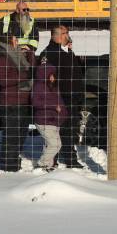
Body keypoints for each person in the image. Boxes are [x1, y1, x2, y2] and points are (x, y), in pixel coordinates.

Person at [38, 26, 86, 168]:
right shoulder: (49, 53)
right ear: (57, 36)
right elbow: (46, 78)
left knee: (70, 129)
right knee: (57, 130)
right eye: (65, 34)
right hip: (60, 98)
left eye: (67, 33)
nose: (68, 36)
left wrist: (71, 52)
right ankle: (52, 160)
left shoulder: (66, 51)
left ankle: (70, 158)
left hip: (72, 97)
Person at [0, 21, 35, 172]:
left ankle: (8, 159)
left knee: (21, 133)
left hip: (22, 101)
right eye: (15, 39)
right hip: (10, 103)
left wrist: (29, 53)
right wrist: (24, 76)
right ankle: (9, 166)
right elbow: (3, 80)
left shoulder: (17, 55)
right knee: (12, 136)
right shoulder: (3, 57)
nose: (18, 41)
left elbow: (31, 69)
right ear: (9, 41)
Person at [31, 59, 67, 171]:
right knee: (55, 145)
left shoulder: (54, 88)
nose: (52, 78)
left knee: (50, 144)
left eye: (53, 76)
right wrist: (53, 106)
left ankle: (48, 165)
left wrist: (63, 114)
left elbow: (60, 104)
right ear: (44, 76)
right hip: (44, 120)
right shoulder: (38, 87)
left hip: (54, 121)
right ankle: (42, 163)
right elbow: (36, 102)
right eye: (50, 75)